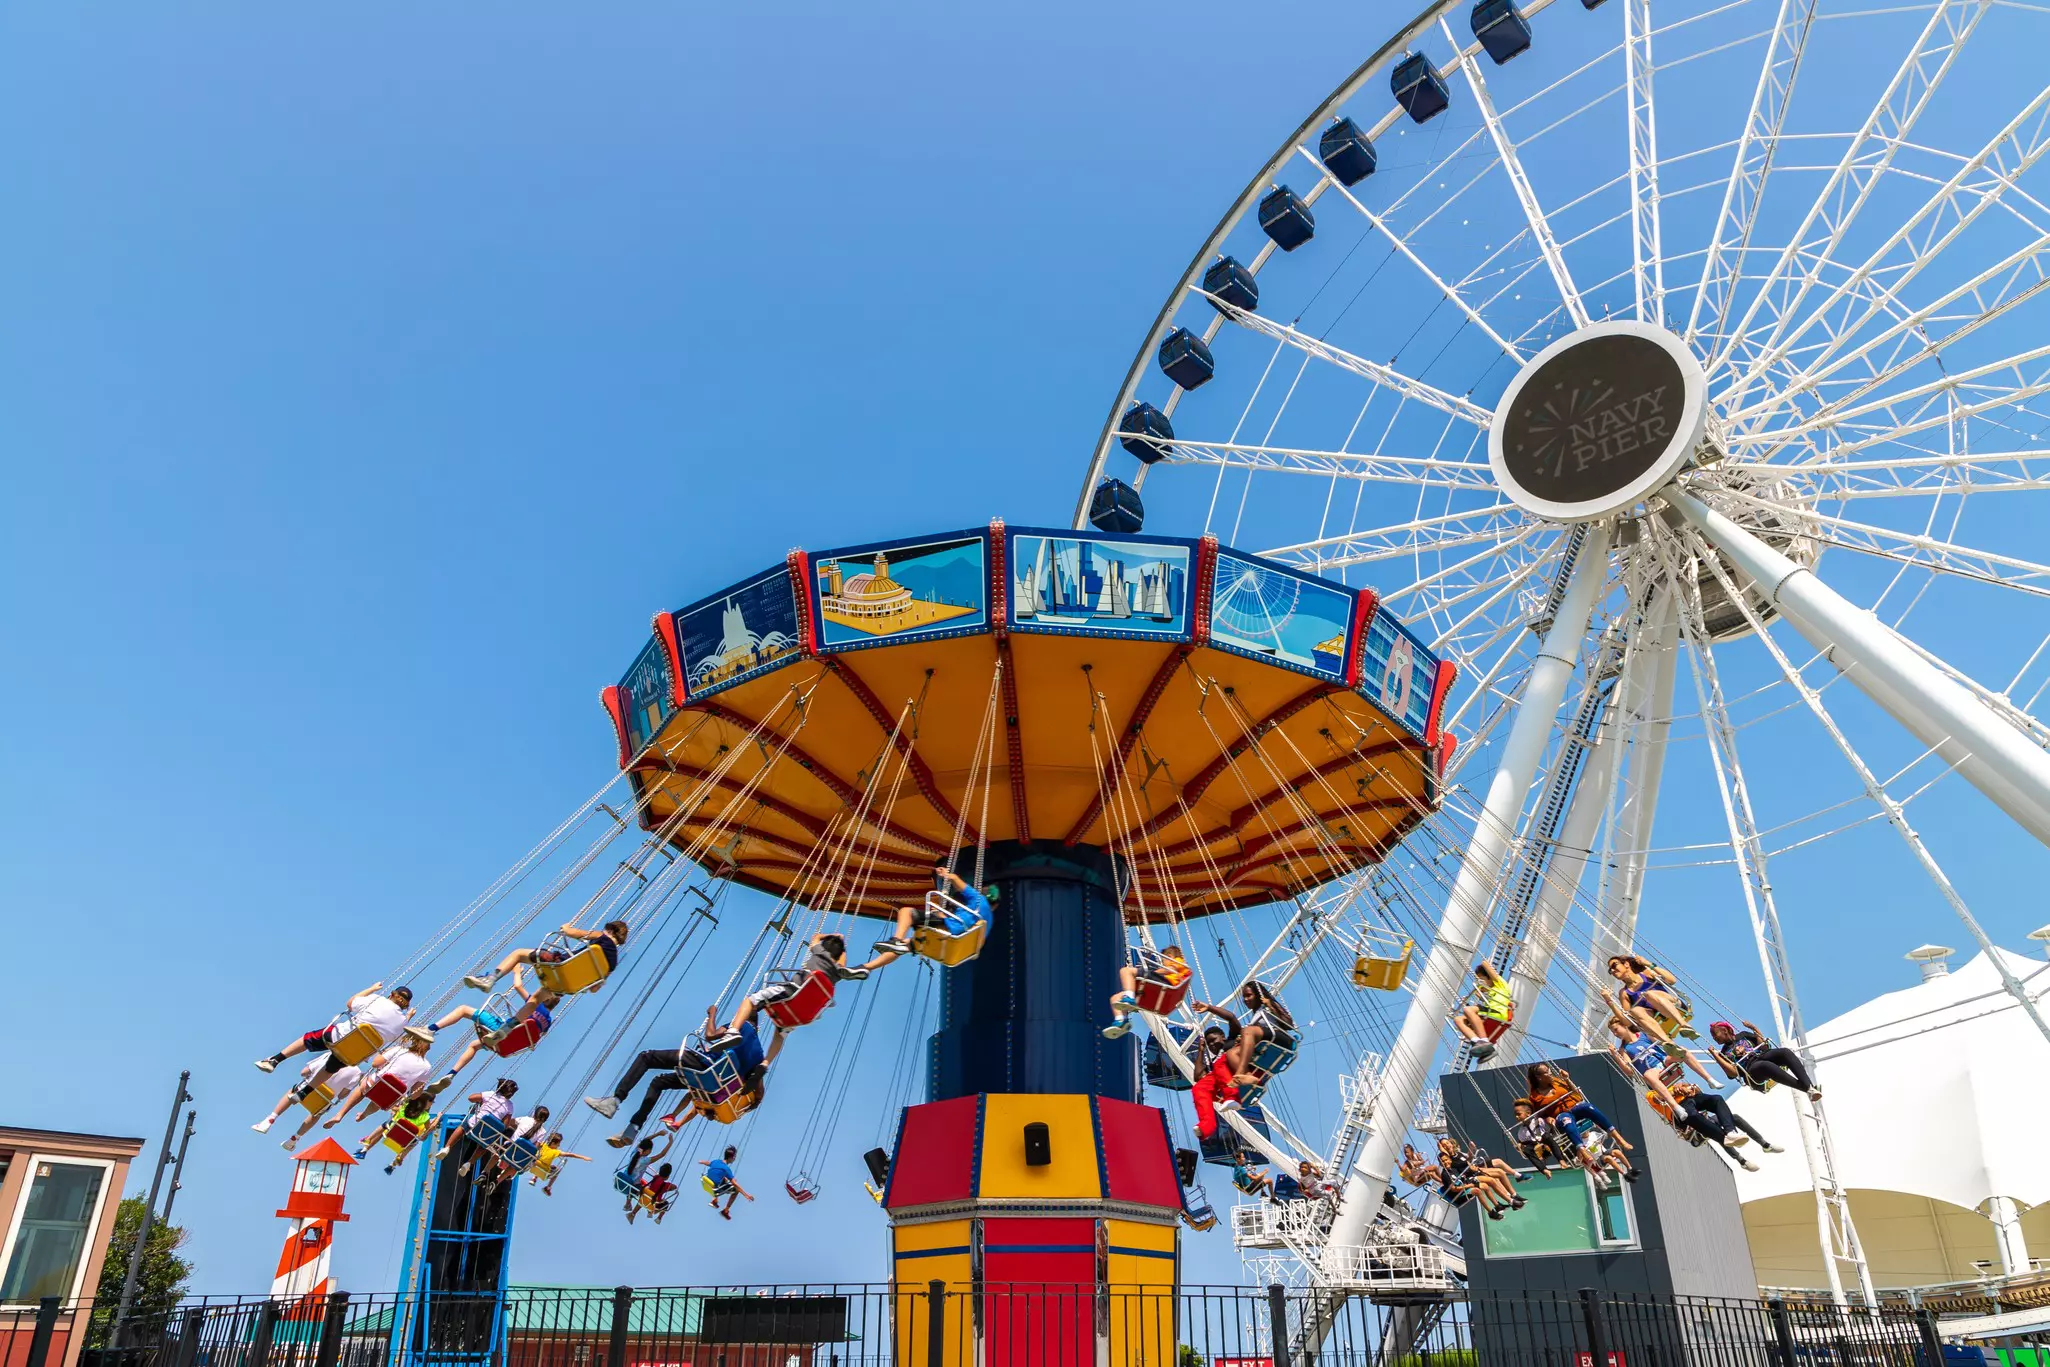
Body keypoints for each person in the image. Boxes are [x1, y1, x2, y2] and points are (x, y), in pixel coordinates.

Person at [588, 1006, 770, 1147]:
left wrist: (712, 1014)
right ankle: (633, 1127)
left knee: (647, 1057)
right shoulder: (759, 1055)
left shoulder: (740, 1026)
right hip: (709, 1084)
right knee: (659, 1082)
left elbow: (710, 1034)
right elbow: (755, 1089)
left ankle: (616, 1099)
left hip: (703, 1066)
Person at [728, 934, 874, 1035]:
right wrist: (842, 948)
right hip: (808, 1012)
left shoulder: (820, 953)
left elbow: (815, 937)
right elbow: (842, 964)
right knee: (781, 1033)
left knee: (751, 999)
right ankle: (764, 1064)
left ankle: (732, 1032)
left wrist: (833, 936)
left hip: (793, 993)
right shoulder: (836, 973)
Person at [255, 985, 413, 1076]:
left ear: (392, 994)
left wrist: (371, 989)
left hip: (340, 1037)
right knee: (332, 1066)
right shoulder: (403, 1022)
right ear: (406, 1004)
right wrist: (408, 1019)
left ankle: (275, 1060)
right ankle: (306, 1091)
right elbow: (395, 1036)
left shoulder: (377, 1000)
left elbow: (350, 1003)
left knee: (308, 1038)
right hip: (355, 1053)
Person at [431, 969, 561, 1077]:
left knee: (463, 1009)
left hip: (502, 1030)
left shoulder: (535, 1004)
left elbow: (517, 986)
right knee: (474, 1045)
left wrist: (516, 972)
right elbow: (533, 1035)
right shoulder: (548, 1022)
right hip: (507, 1046)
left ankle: (431, 1029)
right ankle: (451, 1074)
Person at [1525, 1063, 1639, 1182]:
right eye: (1547, 1072)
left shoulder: (1557, 1082)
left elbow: (1576, 1093)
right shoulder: (1534, 1097)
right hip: (1560, 1115)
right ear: (1539, 1077)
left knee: (1588, 1107)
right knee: (1567, 1121)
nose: (1550, 1073)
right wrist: (1548, 1119)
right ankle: (1583, 1151)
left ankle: (1618, 1138)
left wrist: (1567, 1079)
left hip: (1575, 1107)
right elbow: (1539, 1116)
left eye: (1549, 1070)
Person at [465, 920, 629, 993]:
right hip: (570, 985)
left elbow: (572, 933)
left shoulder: (602, 937)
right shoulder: (612, 964)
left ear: (611, 930)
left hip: (560, 964)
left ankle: (491, 979)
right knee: (540, 995)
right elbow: (594, 989)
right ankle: (507, 1029)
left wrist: (566, 927)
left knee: (519, 953)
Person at [872, 865, 993, 963]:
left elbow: (955, 879)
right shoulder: (986, 923)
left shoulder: (979, 900)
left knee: (906, 912)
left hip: (950, 930)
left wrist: (946, 874)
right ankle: (867, 967)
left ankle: (895, 940)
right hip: (956, 949)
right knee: (908, 945)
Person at [324, 1029, 437, 1129]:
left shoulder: (399, 1050)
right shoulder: (427, 1067)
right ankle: (365, 1114)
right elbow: (415, 1095)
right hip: (390, 1097)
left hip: (374, 1084)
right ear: (428, 1049)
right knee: (378, 1102)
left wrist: (384, 1053)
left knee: (362, 1088)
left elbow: (375, 1064)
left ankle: (340, 1114)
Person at [252, 1055, 366, 1148]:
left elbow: (304, 1072)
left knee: (292, 1091)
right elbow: (342, 1095)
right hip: (322, 1100)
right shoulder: (357, 1073)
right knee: (316, 1113)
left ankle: (270, 1119)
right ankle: (294, 1139)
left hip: (306, 1089)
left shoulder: (333, 1055)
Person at [1671, 1082, 1781, 1170]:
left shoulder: (1678, 1085)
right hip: (1688, 1117)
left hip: (1700, 1112)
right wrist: (1673, 1093)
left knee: (1734, 1118)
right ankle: (1741, 1160)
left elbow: (1697, 1093)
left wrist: (1689, 1089)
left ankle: (1765, 1144)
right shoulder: (1658, 1091)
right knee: (1717, 1131)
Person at [1605, 1012, 1696, 1117]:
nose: (1615, 1034)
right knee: (1648, 1075)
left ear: (1624, 1025)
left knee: (1683, 1051)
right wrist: (1615, 1055)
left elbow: (1661, 1041)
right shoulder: (1624, 1049)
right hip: (1654, 1072)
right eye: (1613, 1032)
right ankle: (1675, 1106)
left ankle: (1708, 1078)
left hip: (1665, 1062)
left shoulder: (1644, 1034)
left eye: (1616, 1030)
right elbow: (1630, 1071)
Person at [1709, 1020, 1823, 1100]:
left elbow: (1764, 1047)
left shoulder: (1743, 1035)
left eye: (1715, 1034)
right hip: (1751, 1071)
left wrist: (1754, 1028)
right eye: (1713, 1037)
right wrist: (1716, 1055)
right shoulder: (1724, 1053)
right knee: (1765, 1065)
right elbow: (1733, 1074)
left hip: (1761, 1055)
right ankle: (1807, 1089)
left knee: (1785, 1052)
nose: (1714, 1038)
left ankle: (1809, 1087)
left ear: (1725, 1030)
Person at [1103, 945, 1192, 1040]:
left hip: (1164, 984)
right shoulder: (1179, 968)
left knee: (1125, 971)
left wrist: (1153, 973)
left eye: (1163, 961)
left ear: (1169, 956)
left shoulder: (1178, 961)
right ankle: (1121, 1021)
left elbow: (1171, 968)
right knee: (1115, 998)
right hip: (1156, 990)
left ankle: (1129, 998)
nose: (1163, 963)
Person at [433, 1078, 519, 1174]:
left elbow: (471, 1098)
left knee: (462, 1128)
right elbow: (505, 1125)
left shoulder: (491, 1094)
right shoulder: (510, 1106)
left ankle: (447, 1147)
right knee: (484, 1145)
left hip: (474, 1124)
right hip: (488, 1132)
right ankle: (469, 1163)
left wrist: (482, 1100)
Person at [1607, 955, 1695, 1038]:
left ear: (1626, 964)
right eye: (1610, 970)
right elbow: (1628, 1021)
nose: (1613, 970)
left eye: (1614, 965)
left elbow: (1671, 980)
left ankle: (1683, 1024)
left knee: (1649, 994)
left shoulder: (1645, 973)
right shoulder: (1624, 993)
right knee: (1635, 1010)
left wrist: (1648, 964)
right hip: (1656, 1016)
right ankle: (1667, 1042)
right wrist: (1609, 1001)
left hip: (1674, 1005)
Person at [1452, 963, 1513, 1060]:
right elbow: (1478, 992)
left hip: (1497, 1012)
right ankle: (1477, 1042)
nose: (1479, 981)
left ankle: (1484, 1041)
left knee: (1469, 1010)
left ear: (1489, 977)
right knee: (1458, 1019)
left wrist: (1483, 967)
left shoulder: (1500, 985)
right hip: (1489, 1012)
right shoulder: (1488, 991)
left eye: (1481, 978)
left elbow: (1486, 964)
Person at [1508, 1099, 1570, 1178]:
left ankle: (1561, 1160)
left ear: (1528, 1113)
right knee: (1527, 1150)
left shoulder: (1539, 1121)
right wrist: (1519, 1146)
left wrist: (1551, 1122)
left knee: (1547, 1137)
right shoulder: (1521, 1132)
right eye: (1515, 1115)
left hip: (1547, 1143)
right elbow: (1522, 1144)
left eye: (1519, 1114)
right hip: (1537, 1149)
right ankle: (1544, 1170)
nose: (1517, 1117)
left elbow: (1551, 1130)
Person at [701, 1145, 754, 1220]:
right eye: (734, 1157)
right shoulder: (726, 1168)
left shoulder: (716, 1161)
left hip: (705, 1183)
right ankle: (725, 1210)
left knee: (724, 1178)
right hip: (715, 1189)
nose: (735, 1158)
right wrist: (746, 1195)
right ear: (730, 1158)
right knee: (736, 1190)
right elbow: (735, 1184)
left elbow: (708, 1163)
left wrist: (701, 1162)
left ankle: (715, 1200)